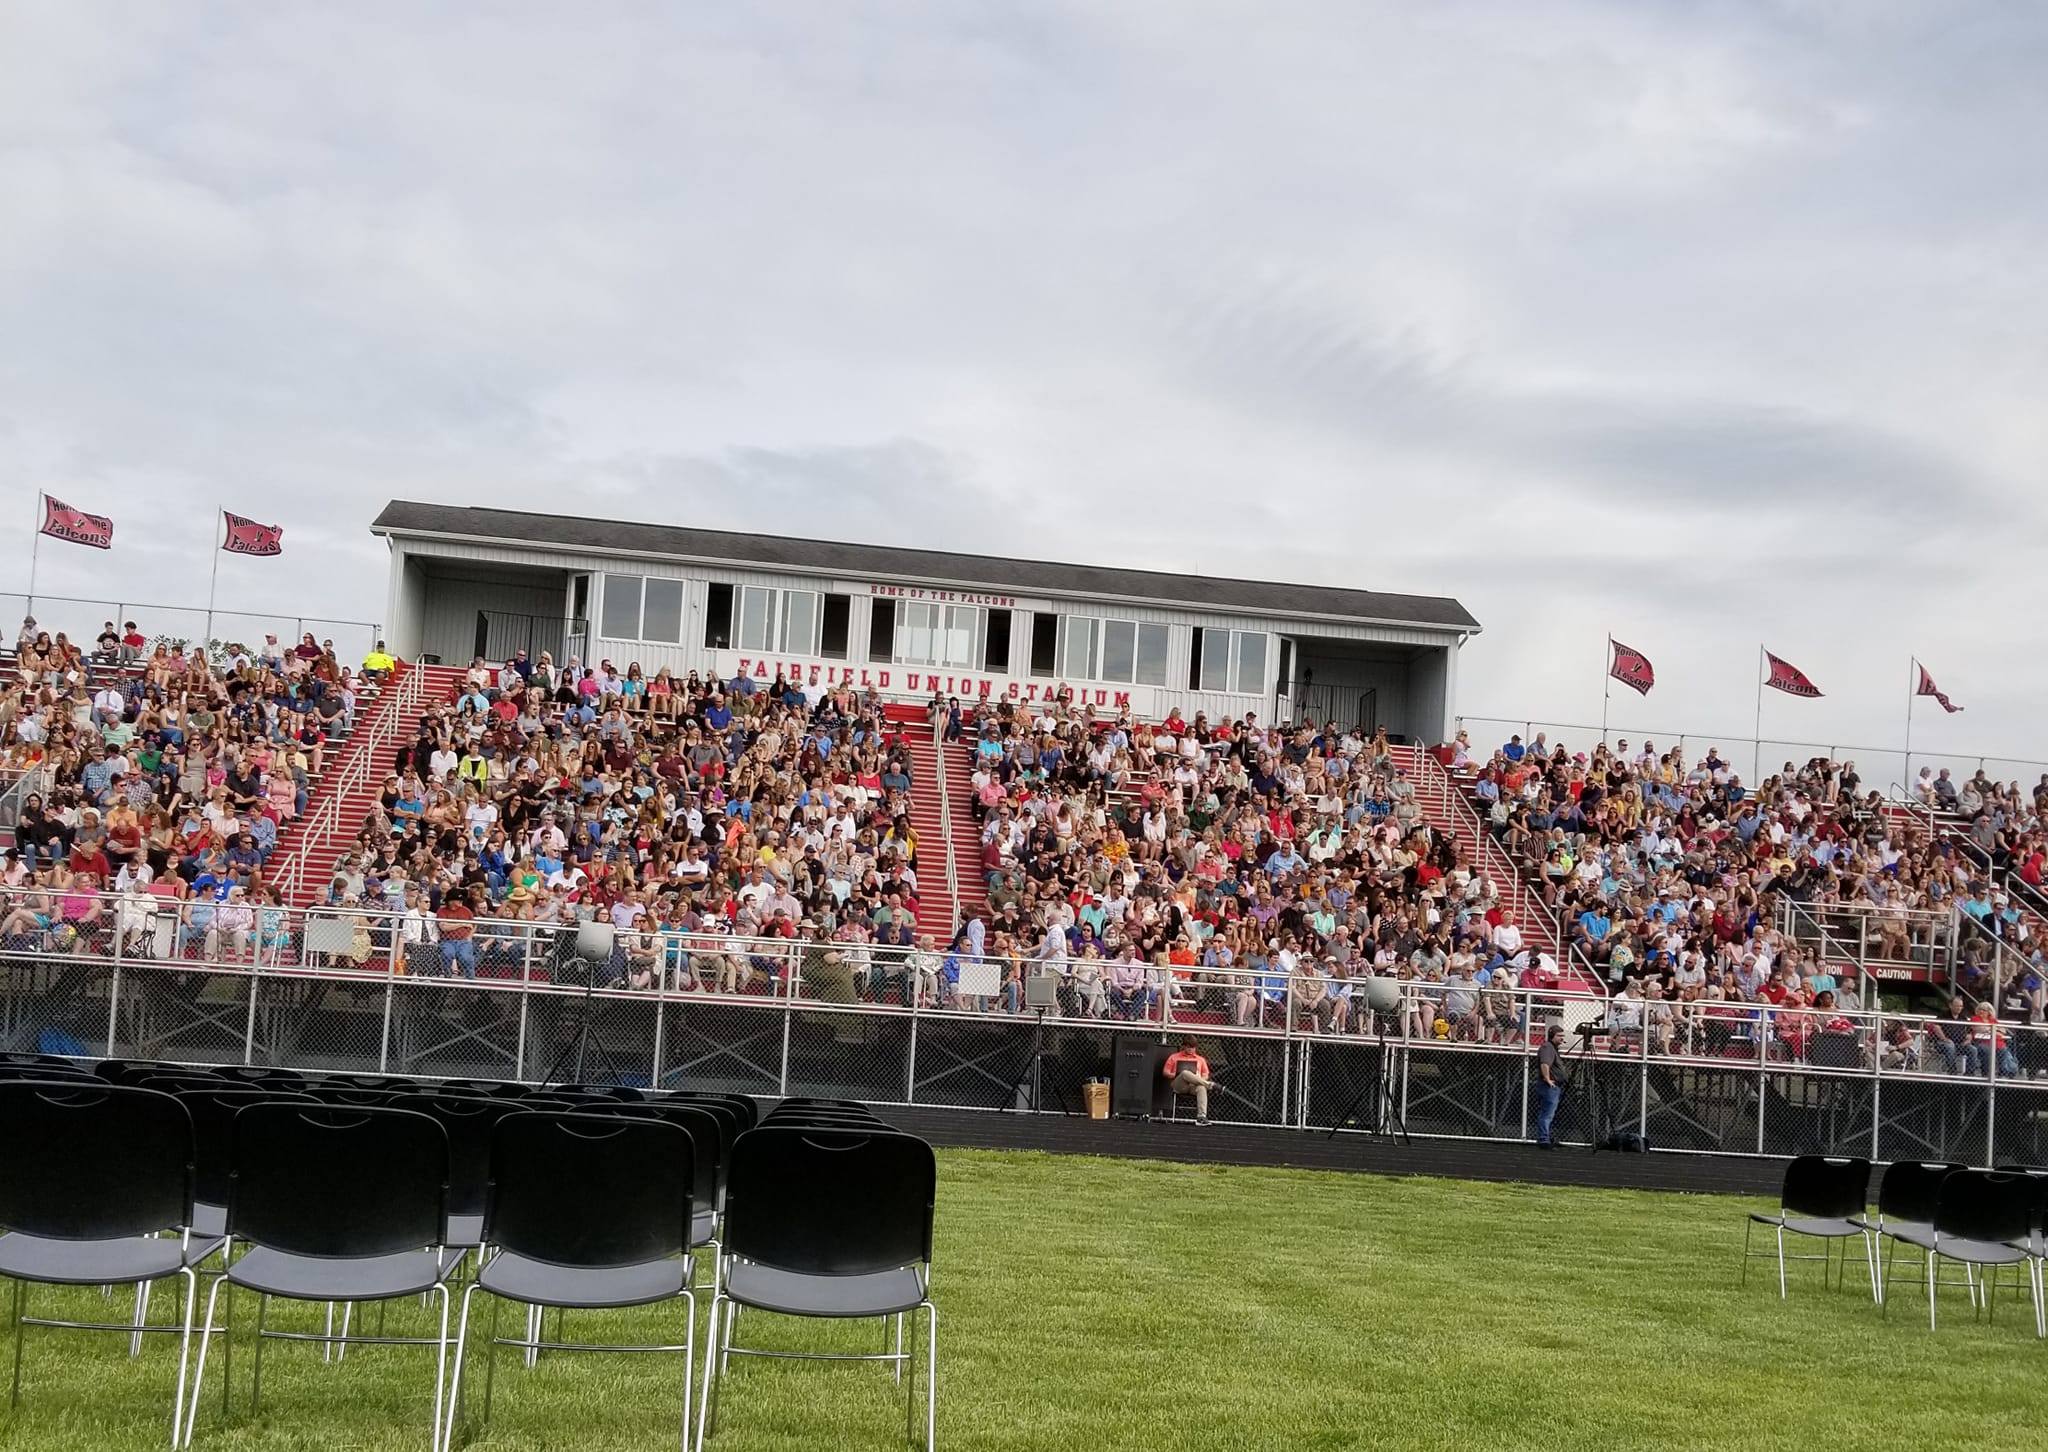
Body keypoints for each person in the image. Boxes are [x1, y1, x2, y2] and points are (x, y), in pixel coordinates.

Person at [1162, 1040, 1214, 1125]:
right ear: (1184, 1046)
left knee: (1201, 1088)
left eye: (1192, 1047)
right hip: (1179, 1085)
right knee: (1185, 1073)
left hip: (1193, 1085)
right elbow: (1165, 1072)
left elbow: (1206, 1075)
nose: (1190, 1049)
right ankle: (1208, 1085)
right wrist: (1175, 1074)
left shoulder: (1200, 1060)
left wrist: (1197, 1078)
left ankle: (1201, 1117)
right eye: (1188, 1047)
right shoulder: (1174, 1057)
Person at [1533, 1023, 1566, 1148]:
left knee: (1547, 1113)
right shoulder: (1547, 1047)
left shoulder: (1551, 1048)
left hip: (1552, 1086)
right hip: (1549, 1086)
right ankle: (1544, 1139)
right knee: (1547, 1114)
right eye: (1559, 1036)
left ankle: (1545, 1137)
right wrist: (1548, 1079)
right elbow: (1545, 1064)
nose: (1562, 1038)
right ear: (1552, 1035)